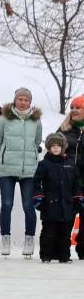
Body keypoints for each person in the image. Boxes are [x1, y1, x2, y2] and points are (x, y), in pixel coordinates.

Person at [0, 88, 42, 258]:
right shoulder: (5, 119)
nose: (23, 102)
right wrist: (6, 155)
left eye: (26, 100)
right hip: (7, 169)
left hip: (29, 170)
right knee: (7, 204)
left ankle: (29, 239)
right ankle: (5, 238)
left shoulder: (36, 120)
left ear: (30, 102)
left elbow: (37, 141)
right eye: (20, 99)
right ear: (15, 100)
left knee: (29, 205)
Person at [34, 132, 83, 263]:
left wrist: (78, 198)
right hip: (50, 205)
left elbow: (77, 183)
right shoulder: (44, 164)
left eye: (58, 145)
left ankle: (64, 256)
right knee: (49, 232)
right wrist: (39, 198)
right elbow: (37, 183)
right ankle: (46, 255)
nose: (56, 148)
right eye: (53, 146)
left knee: (65, 233)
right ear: (49, 147)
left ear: (63, 147)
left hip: (67, 205)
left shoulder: (70, 164)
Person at [59, 95, 84, 259]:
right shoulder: (63, 129)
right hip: (67, 179)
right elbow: (53, 149)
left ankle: (82, 249)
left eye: (78, 107)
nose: (74, 110)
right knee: (65, 215)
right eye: (72, 107)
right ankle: (61, 249)